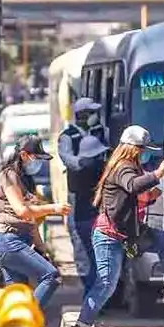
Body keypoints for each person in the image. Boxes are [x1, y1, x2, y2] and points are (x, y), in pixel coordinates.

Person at [66, 125, 164, 327]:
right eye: (141, 150)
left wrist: (152, 194)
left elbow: (134, 196)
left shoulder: (128, 166)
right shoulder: (123, 167)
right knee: (105, 284)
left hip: (128, 232)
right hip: (109, 236)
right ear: (132, 149)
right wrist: (157, 175)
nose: (144, 154)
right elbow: (132, 186)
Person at [0, 136, 69, 311]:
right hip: (8, 241)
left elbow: (30, 220)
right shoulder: (8, 176)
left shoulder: (24, 179)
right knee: (51, 276)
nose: (38, 163)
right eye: (36, 158)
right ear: (24, 155)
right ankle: (29, 318)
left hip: (18, 241)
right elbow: (22, 211)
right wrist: (53, 208)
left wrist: (41, 247)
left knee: (18, 297)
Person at [56, 97, 110, 297]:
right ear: (82, 116)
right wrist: (87, 161)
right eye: (91, 113)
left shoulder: (101, 133)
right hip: (79, 201)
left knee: (103, 246)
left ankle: (105, 292)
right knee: (83, 250)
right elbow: (70, 161)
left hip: (100, 198)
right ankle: (90, 293)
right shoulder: (68, 137)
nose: (95, 116)